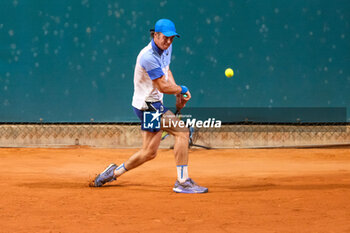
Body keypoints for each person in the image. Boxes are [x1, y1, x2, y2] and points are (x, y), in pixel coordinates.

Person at [93, 19, 208, 194]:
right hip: (148, 106)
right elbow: (162, 86)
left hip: (152, 104)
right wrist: (182, 89)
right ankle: (182, 181)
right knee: (182, 132)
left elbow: (166, 71)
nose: (169, 42)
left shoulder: (166, 48)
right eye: (165, 38)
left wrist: (178, 93)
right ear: (155, 35)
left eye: (172, 39)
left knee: (148, 152)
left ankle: (112, 173)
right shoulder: (148, 56)